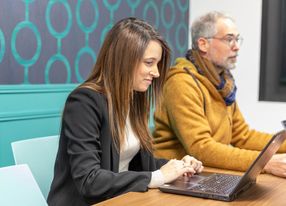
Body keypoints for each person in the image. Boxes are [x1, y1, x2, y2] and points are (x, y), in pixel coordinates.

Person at [47, 17, 203, 206]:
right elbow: (90, 181)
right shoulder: (83, 102)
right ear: (124, 61)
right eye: (149, 62)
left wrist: (178, 166)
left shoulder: (134, 99)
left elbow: (139, 165)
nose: (157, 72)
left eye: (157, 64)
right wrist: (159, 176)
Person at [152, 11, 286, 178]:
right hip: (176, 178)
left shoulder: (223, 84)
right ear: (203, 44)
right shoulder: (181, 82)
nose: (236, 46)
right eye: (229, 39)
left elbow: (243, 136)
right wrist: (265, 162)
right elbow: (202, 148)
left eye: (237, 39)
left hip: (202, 174)